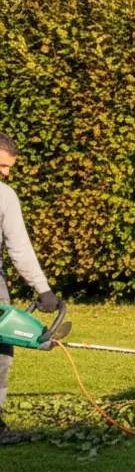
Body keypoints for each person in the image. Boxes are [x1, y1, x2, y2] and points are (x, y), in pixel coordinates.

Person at [0, 133, 62, 445]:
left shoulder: (5, 196)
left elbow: (18, 247)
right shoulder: (5, 196)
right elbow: (19, 247)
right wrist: (43, 289)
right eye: (2, 165)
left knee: (0, 352)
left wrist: (42, 288)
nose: (6, 173)